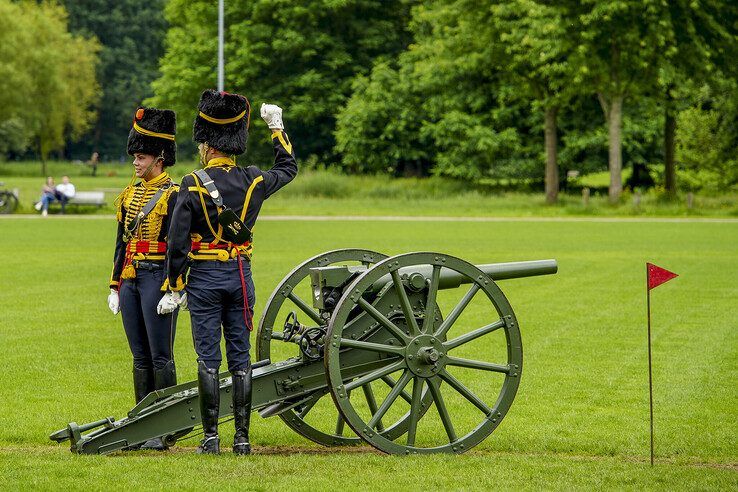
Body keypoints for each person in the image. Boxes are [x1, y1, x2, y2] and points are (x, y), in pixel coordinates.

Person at [159, 90, 297, 455]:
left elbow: (176, 243)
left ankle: (210, 438)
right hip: (240, 276)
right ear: (234, 142)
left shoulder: (191, 182)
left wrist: (174, 285)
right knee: (240, 359)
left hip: (204, 278)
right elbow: (288, 168)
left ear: (206, 143)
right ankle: (242, 438)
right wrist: (276, 125)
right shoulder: (252, 180)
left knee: (208, 358)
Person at [107, 107, 180, 450]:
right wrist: (113, 285)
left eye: (142, 156)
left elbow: (178, 248)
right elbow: (121, 244)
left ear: (159, 158)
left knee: (160, 355)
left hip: (157, 279)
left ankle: (166, 426)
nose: (136, 162)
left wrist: (175, 288)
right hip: (131, 279)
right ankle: (141, 423)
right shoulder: (128, 196)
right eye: (135, 156)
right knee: (139, 356)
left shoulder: (174, 194)